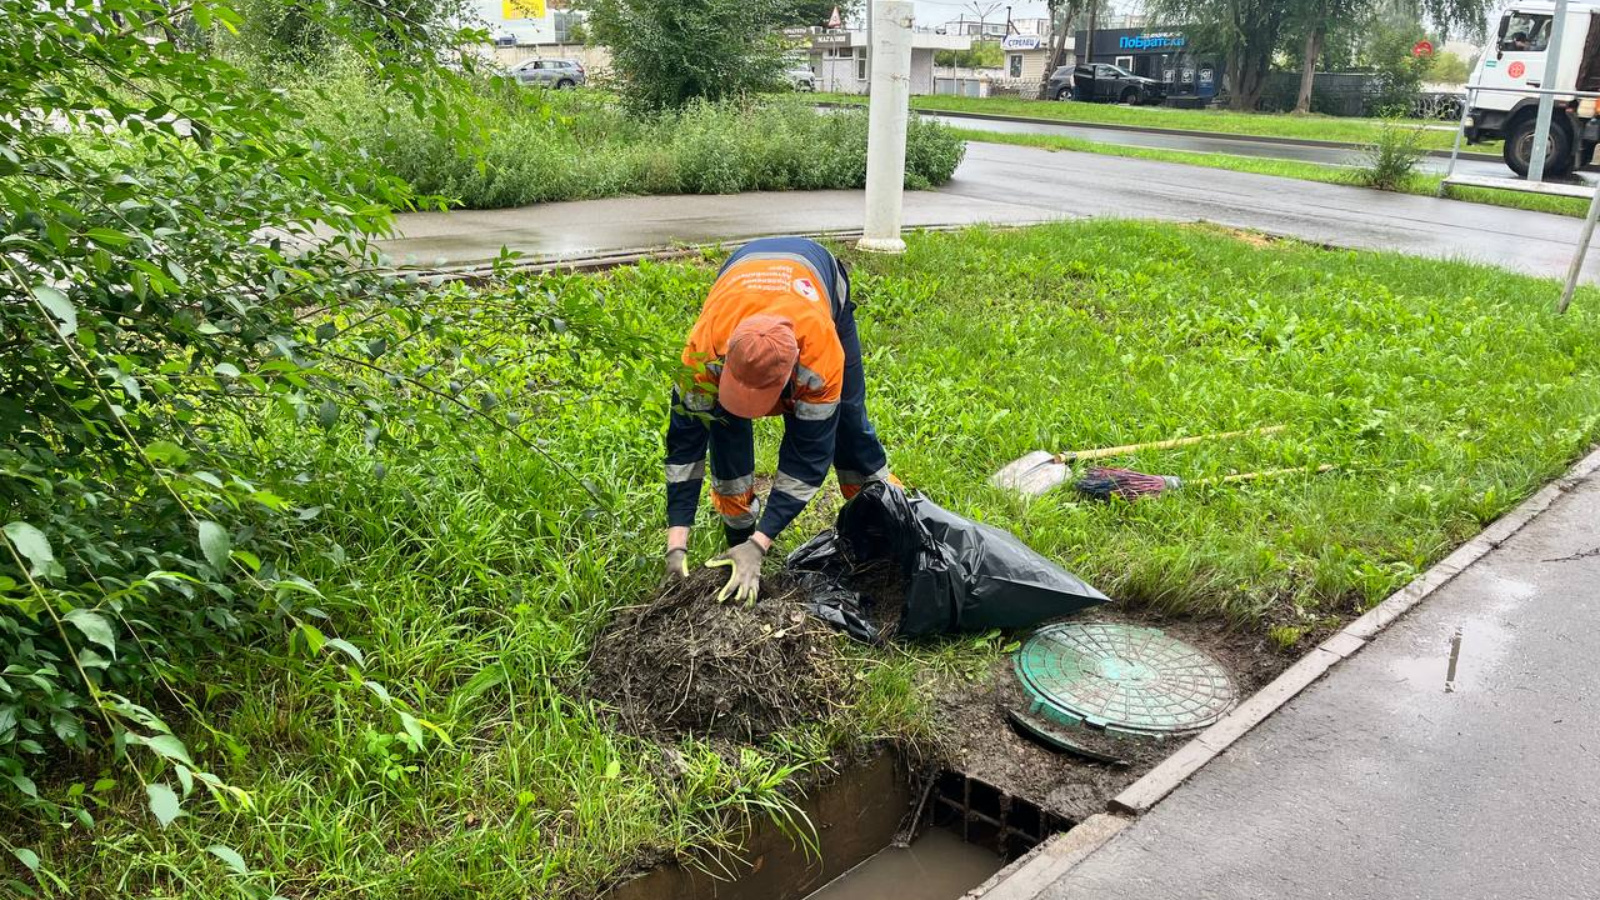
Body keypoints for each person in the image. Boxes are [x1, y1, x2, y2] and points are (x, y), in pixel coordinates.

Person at [664, 237, 895, 604]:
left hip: (817, 279)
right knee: (725, 428)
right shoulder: (703, 351)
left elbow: (807, 457)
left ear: (790, 380)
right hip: (742, 275)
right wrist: (676, 543)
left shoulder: (819, 358)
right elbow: (685, 445)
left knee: (849, 427)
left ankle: (883, 523)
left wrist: (763, 542)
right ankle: (736, 539)